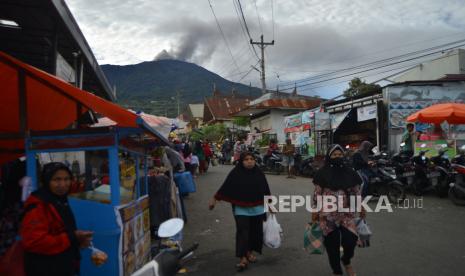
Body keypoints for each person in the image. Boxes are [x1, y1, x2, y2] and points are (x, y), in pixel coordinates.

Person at [21, 162, 93, 276]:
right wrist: (72, 237)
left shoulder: (60, 200)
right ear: (47, 181)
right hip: (44, 269)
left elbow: (61, 230)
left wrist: (77, 241)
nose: (63, 184)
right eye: (57, 179)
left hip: (63, 265)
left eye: (66, 179)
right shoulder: (38, 206)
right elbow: (34, 242)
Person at [209, 152, 271, 272]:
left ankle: (249, 253)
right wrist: (214, 199)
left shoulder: (259, 173)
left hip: (258, 209)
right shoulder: (235, 173)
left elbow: (266, 190)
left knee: (255, 232)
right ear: (241, 162)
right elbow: (226, 187)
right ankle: (243, 258)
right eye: (246, 159)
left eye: (252, 159)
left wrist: (270, 205)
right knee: (243, 232)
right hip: (241, 209)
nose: (249, 161)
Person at [312, 145, 364, 276]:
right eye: (334, 155)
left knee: (350, 241)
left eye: (340, 155)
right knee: (332, 245)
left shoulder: (350, 172)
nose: (337, 157)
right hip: (328, 215)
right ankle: (337, 271)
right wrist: (315, 210)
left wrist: (361, 207)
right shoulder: (322, 173)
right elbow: (317, 194)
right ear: (329, 157)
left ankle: (346, 260)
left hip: (346, 214)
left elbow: (356, 191)